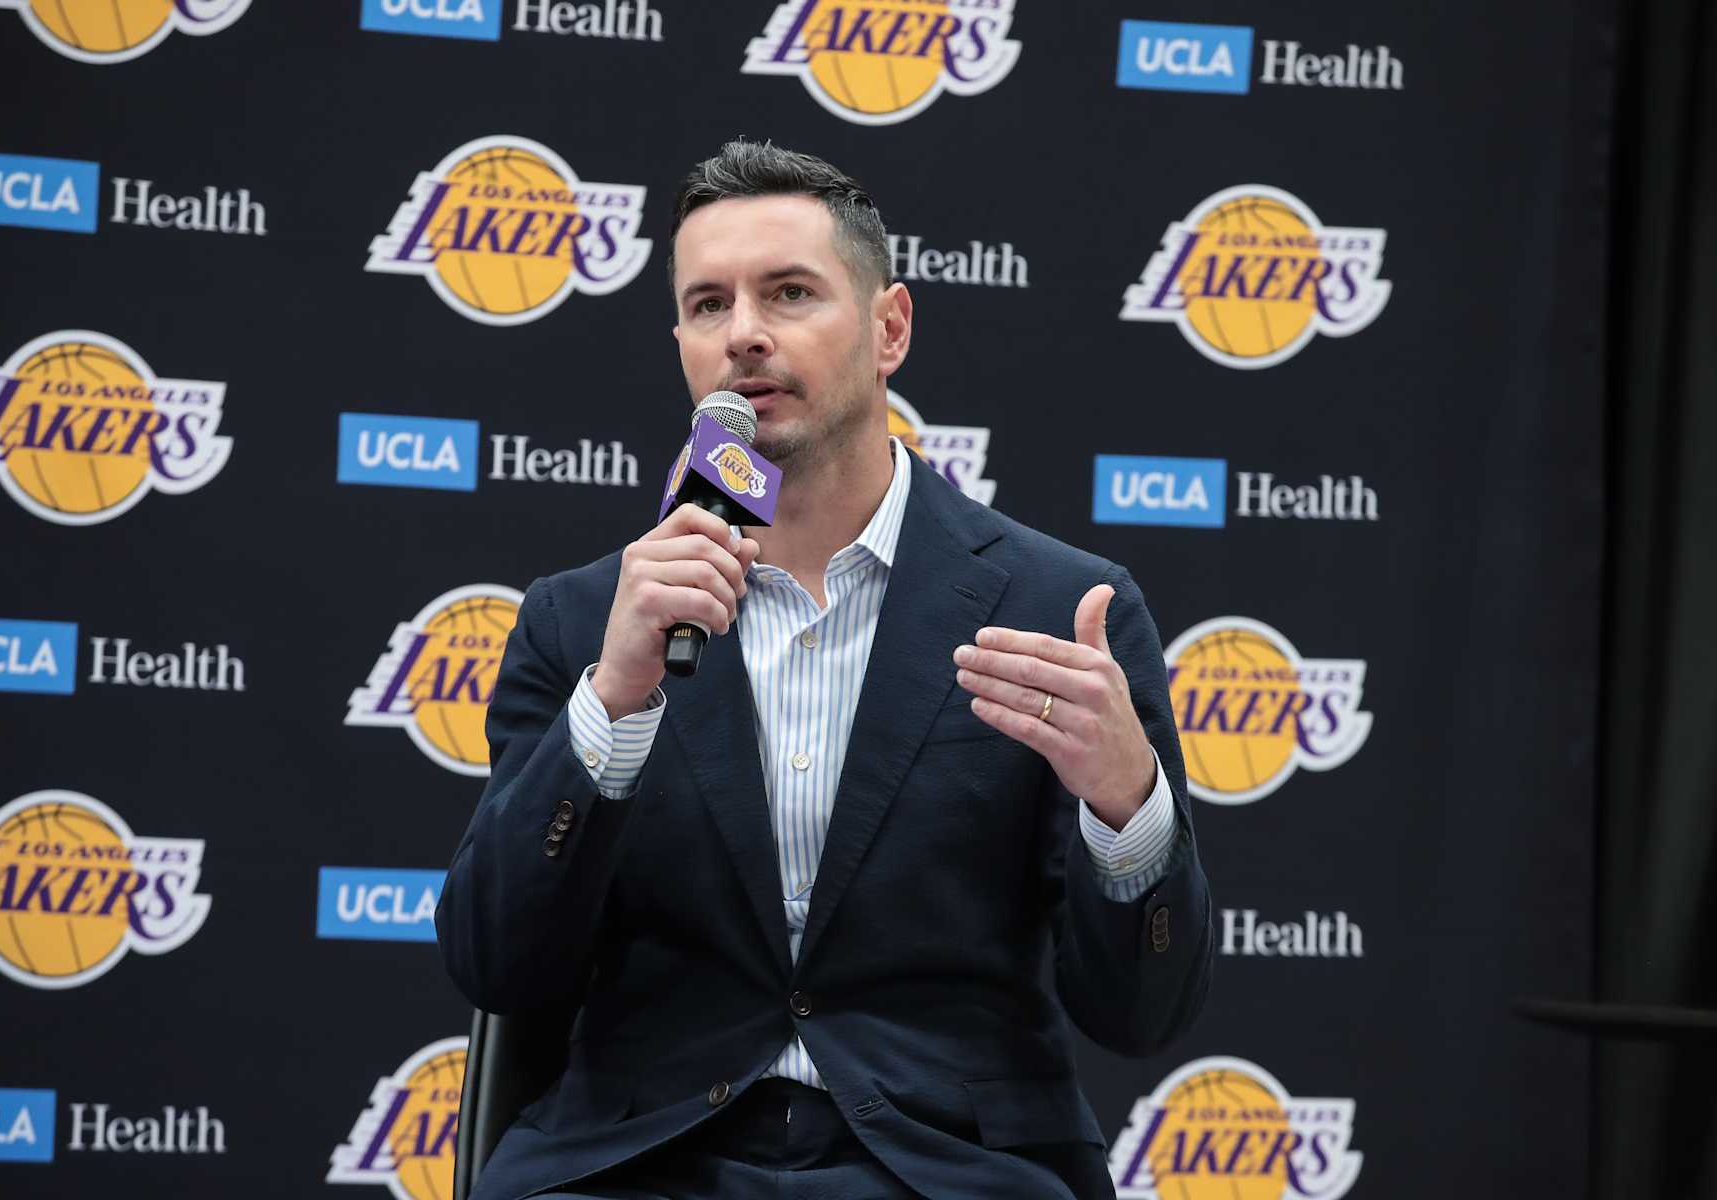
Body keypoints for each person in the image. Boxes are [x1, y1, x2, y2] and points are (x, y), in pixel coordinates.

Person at [436, 139, 1213, 1200]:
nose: (744, 332)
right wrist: (610, 708)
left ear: (890, 328)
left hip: (948, 1168)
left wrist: (1129, 812)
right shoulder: (585, 623)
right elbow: (496, 966)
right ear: (680, 344)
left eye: (790, 293)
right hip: (643, 1161)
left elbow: (1143, 1015)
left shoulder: (1061, 612)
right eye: (708, 305)